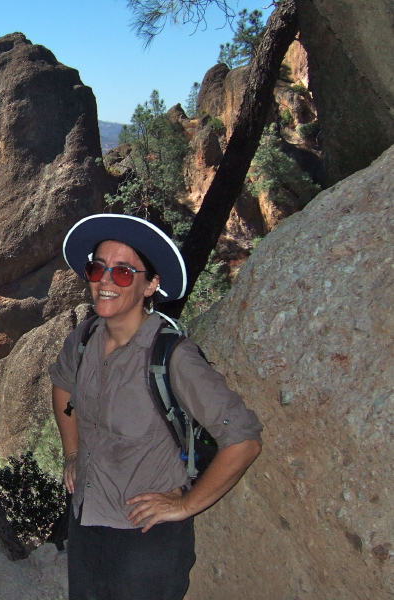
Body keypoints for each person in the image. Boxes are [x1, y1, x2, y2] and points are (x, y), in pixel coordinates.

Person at [49, 214, 263, 600]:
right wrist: (72, 453)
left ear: (151, 285)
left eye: (124, 273)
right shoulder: (83, 339)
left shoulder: (172, 357)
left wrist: (185, 505)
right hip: (85, 521)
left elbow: (243, 440)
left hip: (145, 542)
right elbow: (63, 386)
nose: (105, 281)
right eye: (97, 268)